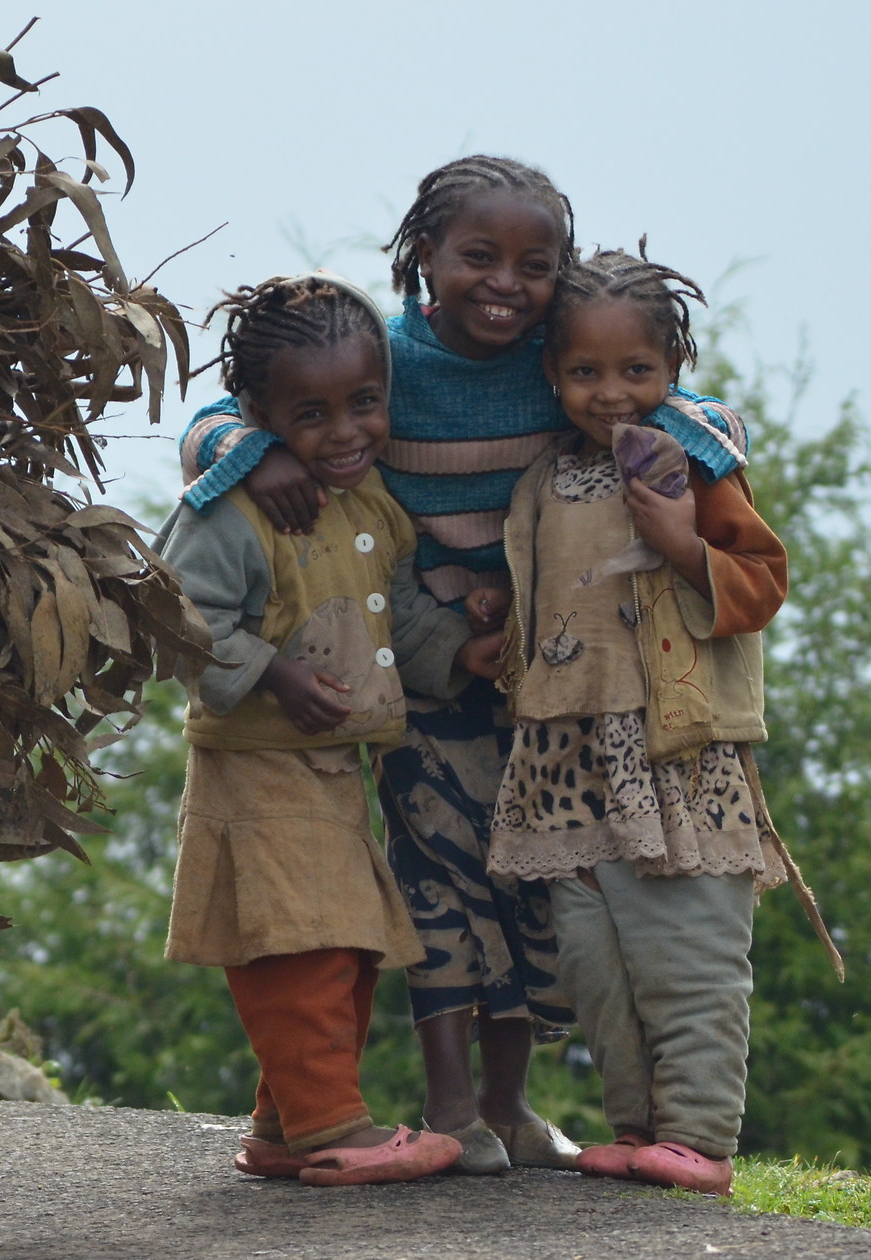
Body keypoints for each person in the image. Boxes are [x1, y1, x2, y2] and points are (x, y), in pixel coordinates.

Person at [178, 156, 749, 1174]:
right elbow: (251, 405)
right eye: (477, 256)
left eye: (537, 263)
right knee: (436, 886)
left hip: (549, 684)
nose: (505, 283)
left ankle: (513, 1106)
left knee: (540, 894)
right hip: (428, 670)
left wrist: (708, 443)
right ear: (421, 257)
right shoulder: (390, 365)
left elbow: (673, 398)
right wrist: (244, 449)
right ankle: (451, 1110)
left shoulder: (556, 357)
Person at [486, 248, 790, 1197]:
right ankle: (635, 1126)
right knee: (597, 957)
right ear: (552, 372)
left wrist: (681, 543)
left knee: (687, 944)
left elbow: (765, 583)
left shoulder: (694, 463)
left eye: (636, 371)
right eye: (585, 371)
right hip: (565, 755)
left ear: (672, 368)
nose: (611, 393)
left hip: (675, 754)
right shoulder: (546, 475)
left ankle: (699, 1134)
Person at [157, 272, 460, 1188]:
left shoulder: (372, 508)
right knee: (302, 943)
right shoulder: (232, 511)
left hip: (332, 772)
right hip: (256, 773)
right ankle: (336, 1125)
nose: (345, 432)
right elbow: (172, 617)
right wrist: (273, 673)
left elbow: (400, 619)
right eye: (312, 413)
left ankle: (286, 1125)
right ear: (256, 413)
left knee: (346, 942)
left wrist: (466, 651)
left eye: (364, 404)